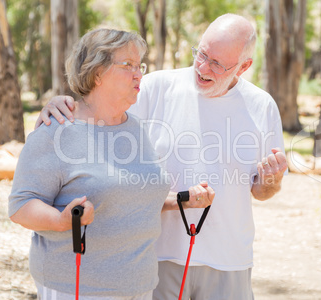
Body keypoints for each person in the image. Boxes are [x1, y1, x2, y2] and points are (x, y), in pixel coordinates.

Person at [36, 14, 287, 300]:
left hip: (228, 259)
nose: (203, 67)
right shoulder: (155, 87)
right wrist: (63, 104)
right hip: (155, 254)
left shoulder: (262, 107)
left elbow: (262, 191)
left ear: (244, 67)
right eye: (202, 53)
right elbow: (98, 115)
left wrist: (271, 180)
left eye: (217, 63)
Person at [9, 28, 214, 300]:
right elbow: (21, 204)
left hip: (139, 285)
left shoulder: (137, 129)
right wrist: (61, 221)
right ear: (96, 73)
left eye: (139, 65)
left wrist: (183, 200)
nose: (139, 74)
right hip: (76, 287)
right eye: (127, 65)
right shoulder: (56, 130)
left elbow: (132, 195)